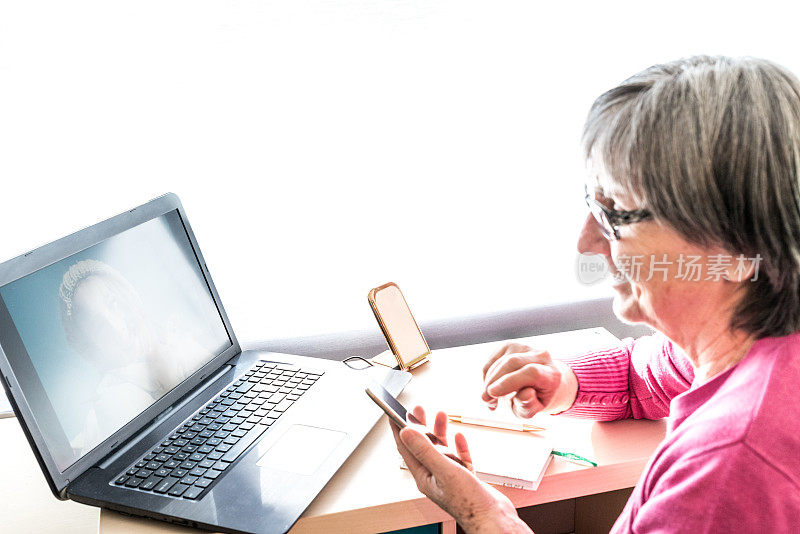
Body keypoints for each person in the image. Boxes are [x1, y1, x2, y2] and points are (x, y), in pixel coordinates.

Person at [391, 55, 800, 532]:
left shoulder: (729, 466)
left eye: (616, 214)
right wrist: (564, 382)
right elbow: (647, 379)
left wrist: (486, 517)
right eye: (592, 203)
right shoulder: (753, 343)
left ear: (735, 240)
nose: (586, 243)